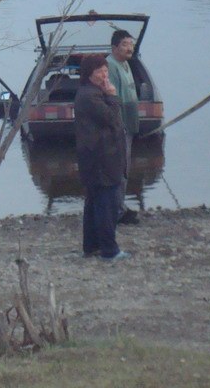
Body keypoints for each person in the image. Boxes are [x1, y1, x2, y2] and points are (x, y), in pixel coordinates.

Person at [74, 54, 131, 261]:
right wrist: (113, 96)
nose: (105, 75)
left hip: (95, 157)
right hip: (102, 158)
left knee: (94, 202)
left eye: (106, 70)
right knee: (107, 204)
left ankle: (91, 246)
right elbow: (112, 119)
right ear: (89, 74)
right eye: (100, 71)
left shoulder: (91, 93)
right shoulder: (90, 96)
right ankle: (109, 250)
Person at [106, 29, 140, 225]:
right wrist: (119, 127)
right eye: (125, 44)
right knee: (119, 169)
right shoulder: (111, 66)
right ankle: (116, 210)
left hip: (129, 124)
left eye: (131, 44)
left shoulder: (126, 63)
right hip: (120, 128)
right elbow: (113, 101)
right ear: (114, 47)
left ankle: (120, 206)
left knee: (125, 168)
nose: (130, 48)